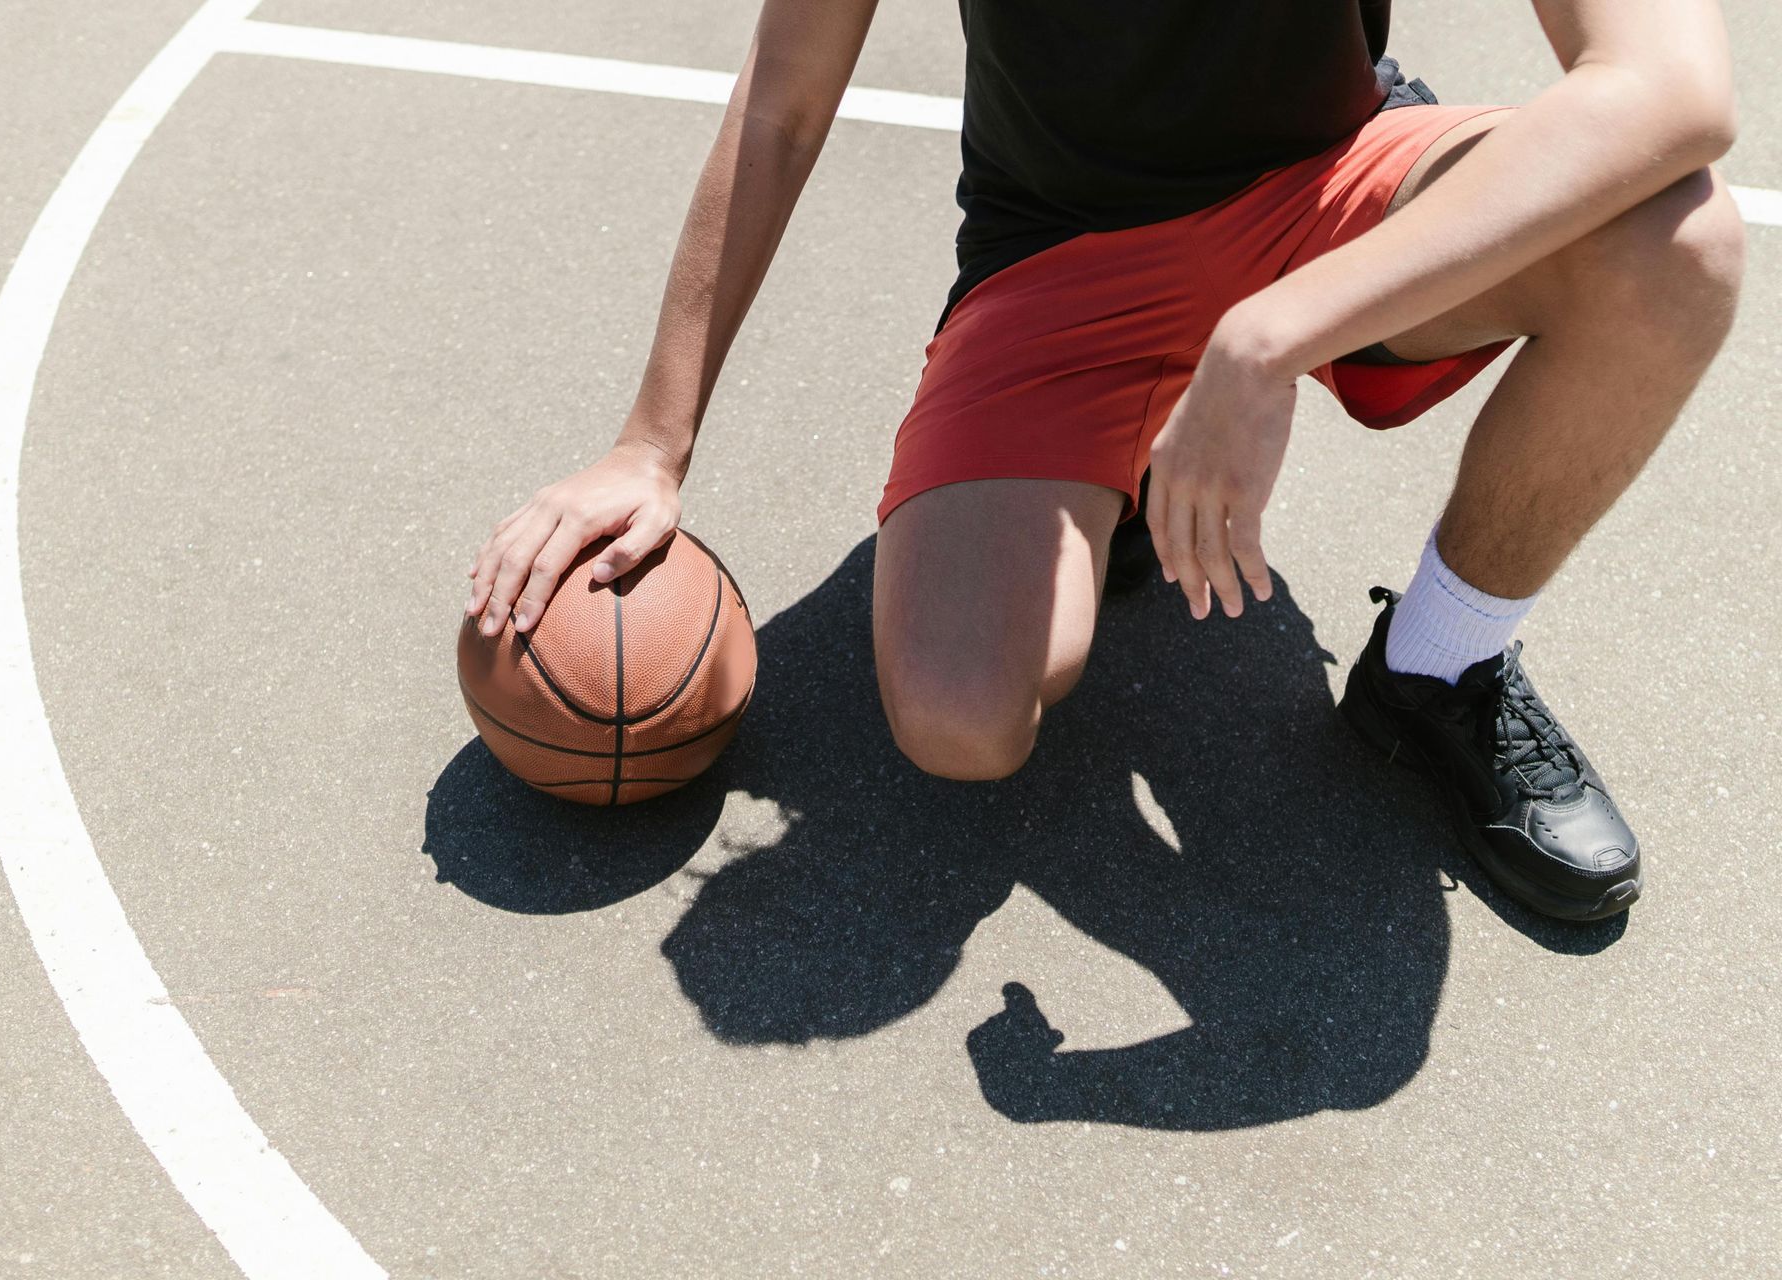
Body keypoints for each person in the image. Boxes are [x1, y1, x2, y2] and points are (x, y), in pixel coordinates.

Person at [465, 0, 1744, 923]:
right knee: (964, 717)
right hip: (1060, 259)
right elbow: (785, 103)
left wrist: (1267, 339)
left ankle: (1442, 660)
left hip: (1333, 185)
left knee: (1673, 244)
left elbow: (1672, 90)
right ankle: (1121, 464)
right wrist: (652, 440)